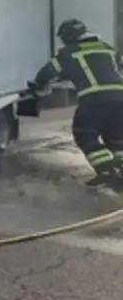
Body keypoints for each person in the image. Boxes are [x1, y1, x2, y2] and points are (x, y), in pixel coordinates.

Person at [29, 18, 123, 187]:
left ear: (68, 37)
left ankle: (107, 171)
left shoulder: (68, 53)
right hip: (120, 99)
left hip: (94, 100)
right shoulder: (107, 48)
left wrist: (37, 86)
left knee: (84, 133)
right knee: (117, 137)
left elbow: (48, 72)